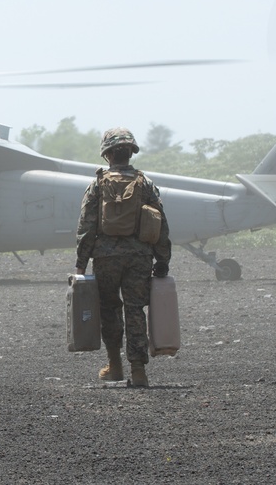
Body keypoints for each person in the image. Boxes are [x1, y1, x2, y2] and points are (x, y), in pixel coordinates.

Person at [75, 127, 172, 387]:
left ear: (107, 155)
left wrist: (80, 265)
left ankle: (115, 365)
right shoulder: (146, 184)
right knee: (135, 310)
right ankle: (139, 370)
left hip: (105, 259)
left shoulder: (97, 184)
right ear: (131, 153)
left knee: (109, 310)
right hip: (139, 257)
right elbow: (160, 223)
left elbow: (86, 227)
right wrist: (163, 259)